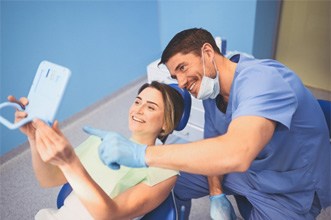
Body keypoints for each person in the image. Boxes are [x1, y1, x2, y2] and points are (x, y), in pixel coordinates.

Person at [85, 28, 331, 220]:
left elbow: (237, 152)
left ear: (208, 53)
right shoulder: (213, 92)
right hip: (248, 172)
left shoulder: (263, 80)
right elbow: (214, 144)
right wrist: (216, 193)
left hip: (290, 188)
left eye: (183, 68)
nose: (180, 83)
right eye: (175, 76)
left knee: (158, 164)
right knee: (166, 179)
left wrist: (144, 153)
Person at [10, 81, 184, 219]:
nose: (138, 109)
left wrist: (71, 163)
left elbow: (110, 214)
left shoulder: (164, 170)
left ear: (166, 123)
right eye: (138, 101)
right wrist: (33, 138)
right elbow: (48, 180)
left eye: (150, 107)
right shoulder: (100, 141)